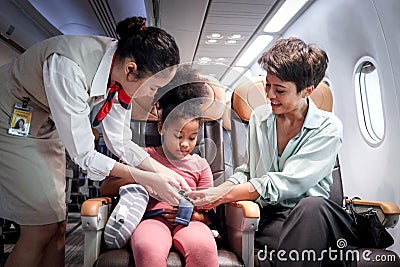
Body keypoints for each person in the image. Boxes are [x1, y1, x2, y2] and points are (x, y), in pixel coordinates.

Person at [0, 16, 188, 267]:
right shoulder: (68, 67)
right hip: (10, 121)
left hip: (47, 126)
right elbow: (84, 156)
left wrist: (162, 171)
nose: (151, 95)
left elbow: (120, 141)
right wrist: (143, 177)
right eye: (153, 88)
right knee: (40, 228)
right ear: (132, 69)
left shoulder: (120, 74)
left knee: (58, 226)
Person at [187, 38, 359, 266]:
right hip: (273, 219)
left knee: (311, 208)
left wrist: (222, 196)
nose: (269, 95)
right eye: (267, 85)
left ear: (307, 91)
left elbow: (287, 182)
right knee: (299, 248)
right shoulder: (259, 118)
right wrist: (216, 191)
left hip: (316, 216)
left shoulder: (328, 127)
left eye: (280, 90)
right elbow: (248, 172)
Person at [102, 69, 219, 266]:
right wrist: (142, 177)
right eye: (178, 136)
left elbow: (210, 214)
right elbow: (106, 187)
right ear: (161, 128)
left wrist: (193, 215)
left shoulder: (199, 165)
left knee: (203, 247)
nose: (185, 144)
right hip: (152, 220)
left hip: (191, 221)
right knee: (147, 247)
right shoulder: (143, 156)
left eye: (192, 137)